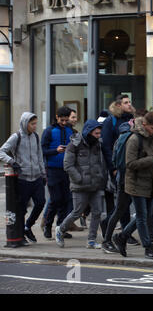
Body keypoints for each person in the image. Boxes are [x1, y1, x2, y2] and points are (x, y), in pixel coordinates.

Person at [111, 112, 153, 259]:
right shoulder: (134, 139)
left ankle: (122, 237)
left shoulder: (151, 138)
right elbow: (130, 164)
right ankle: (148, 248)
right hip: (135, 183)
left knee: (145, 215)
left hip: (149, 182)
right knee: (142, 216)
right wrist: (151, 160)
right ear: (145, 125)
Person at [55, 120, 107, 249]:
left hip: (95, 184)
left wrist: (101, 176)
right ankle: (60, 230)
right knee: (77, 212)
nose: (99, 135)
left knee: (97, 212)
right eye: (96, 133)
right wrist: (79, 178)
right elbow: (67, 165)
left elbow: (100, 163)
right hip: (80, 185)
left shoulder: (97, 144)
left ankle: (91, 240)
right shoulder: (74, 145)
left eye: (100, 133)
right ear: (89, 132)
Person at [0, 112, 46, 246]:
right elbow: (1, 151)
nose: (35, 126)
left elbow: (39, 156)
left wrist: (43, 174)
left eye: (36, 123)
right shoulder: (17, 137)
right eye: (32, 124)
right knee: (21, 209)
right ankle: (20, 236)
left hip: (37, 178)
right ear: (25, 124)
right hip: (23, 179)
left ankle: (28, 226)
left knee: (40, 203)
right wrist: (12, 161)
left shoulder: (36, 137)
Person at [101, 95, 139, 245]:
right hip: (119, 167)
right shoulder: (111, 121)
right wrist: (113, 168)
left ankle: (111, 224)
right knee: (123, 202)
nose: (129, 105)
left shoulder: (132, 119)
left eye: (130, 102)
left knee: (126, 202)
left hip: (130, 165)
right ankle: (123, 231)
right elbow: (107, 146)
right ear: (118, 105)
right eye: (125, 102)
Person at [41, 106, 75, 240]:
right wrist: (56, 150)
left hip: (67, 170)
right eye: (62, 120)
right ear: (57, 117)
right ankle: (47, 226)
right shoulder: (49, 131)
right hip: (52, 169)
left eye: (66, 120)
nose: (64, 122)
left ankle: (61, 228)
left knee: (67, 200)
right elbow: (42, 151)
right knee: (56, 199)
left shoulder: (70, 130)